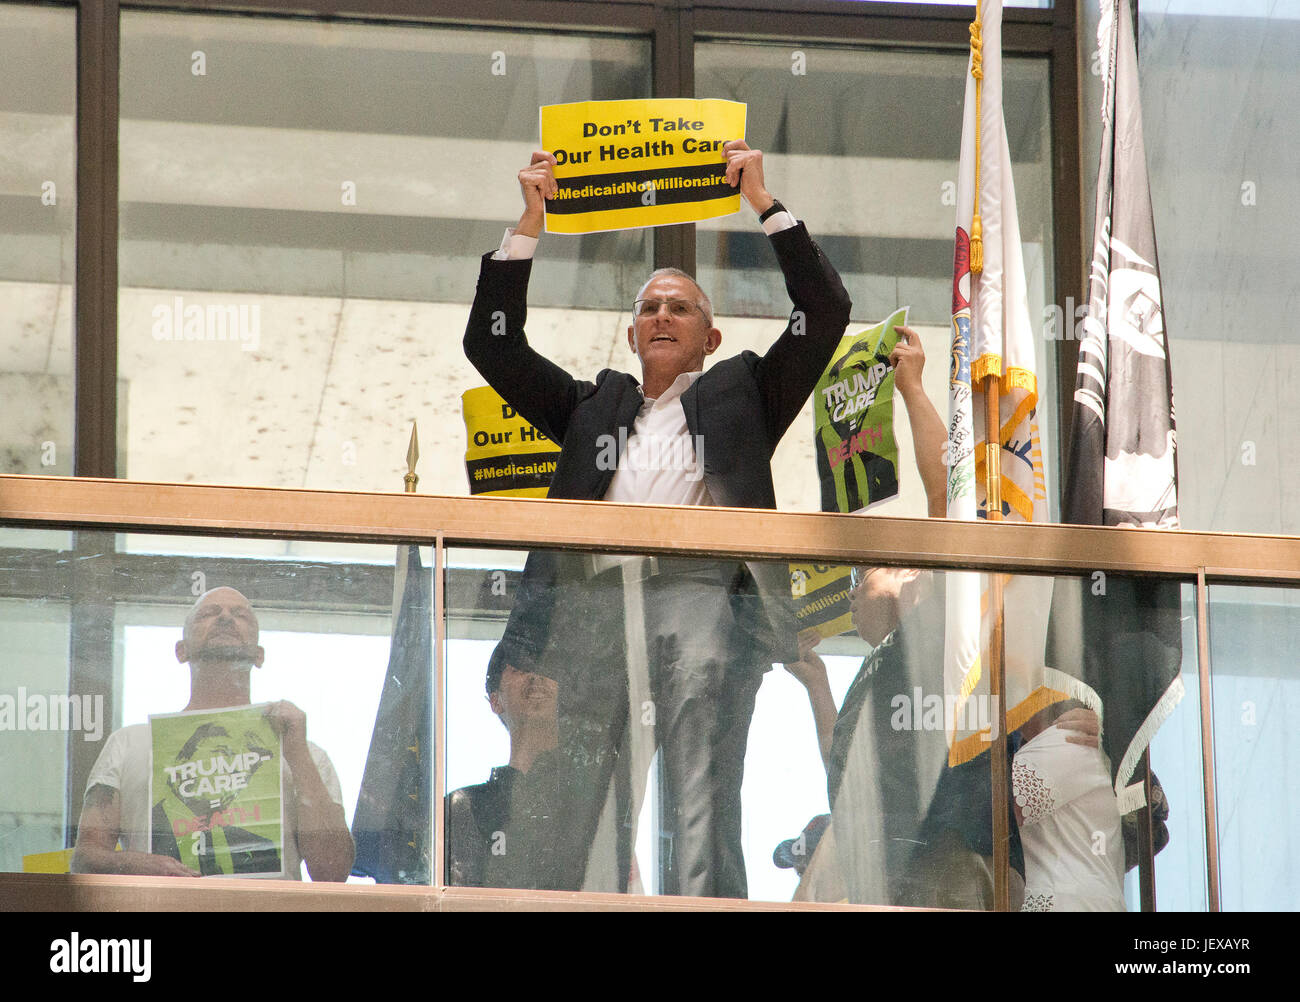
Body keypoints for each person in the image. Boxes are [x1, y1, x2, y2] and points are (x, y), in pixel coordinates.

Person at [463, 141, 852, 898]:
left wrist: (764, 205)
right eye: (649, 308)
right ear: (632, 336)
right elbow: (492, 345)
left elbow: (826, 311)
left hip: (703, 599)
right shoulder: (591, 407)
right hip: (595, 611)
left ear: (709, 337)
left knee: (700, 787)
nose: (662, 314)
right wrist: (530, 226)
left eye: (680, 307)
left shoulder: (744, 393)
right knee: (582, 800)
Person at [71, 587, 354, 881]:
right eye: (208, 613)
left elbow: (332, 872)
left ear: (259, 656)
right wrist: (134, 865)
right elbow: (84, 859)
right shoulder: (129, 744)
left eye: (241, 615)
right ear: (181, 650)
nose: (225, 617)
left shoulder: (303, 754)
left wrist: (296, 753)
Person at [445, 645, 601, 891]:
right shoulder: (465, 808)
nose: (536, 675)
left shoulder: (593, 805)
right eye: (519, 667)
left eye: (547, 667)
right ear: (495, 701)